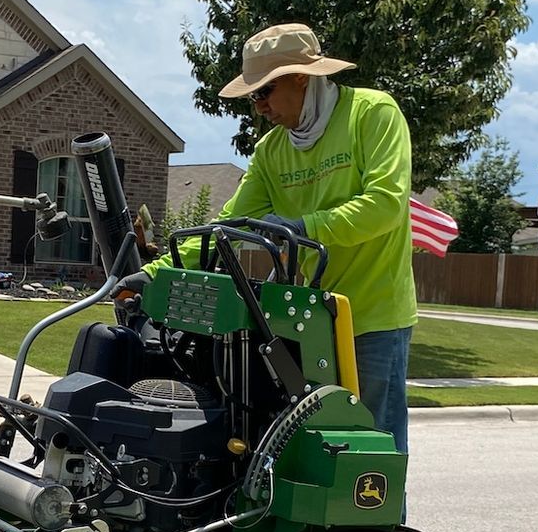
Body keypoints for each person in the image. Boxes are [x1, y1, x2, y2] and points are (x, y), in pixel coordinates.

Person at [147, 23, 418, 451]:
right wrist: (156, 271)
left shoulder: (372, 114)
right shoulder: (272, 150)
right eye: (253, 96)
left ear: (300, 77)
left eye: (262, 93)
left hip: (374, 320)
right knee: (312, 451)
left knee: (372, 452)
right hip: (308, 321)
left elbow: (385, 205)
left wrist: (305, 227)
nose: (259, 108)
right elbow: (228, 228)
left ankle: (382, 523)